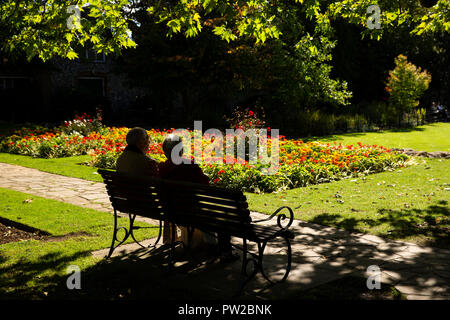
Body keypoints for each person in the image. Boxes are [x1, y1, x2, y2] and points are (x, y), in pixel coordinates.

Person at [158, 134, 238, 262]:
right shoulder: (189, 166)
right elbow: (205, 186)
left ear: (165, 151)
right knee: (223, 215)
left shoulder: (162, 168)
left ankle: (212, 246)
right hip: (193, 213)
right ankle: (225, 252)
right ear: (181, 150)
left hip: (172, 212)